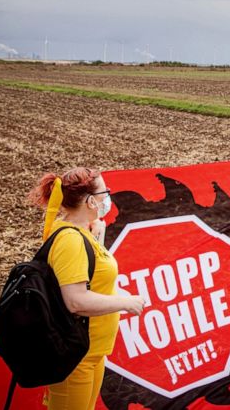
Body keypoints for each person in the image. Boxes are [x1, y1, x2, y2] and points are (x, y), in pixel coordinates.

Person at [28, 168, 146, 410]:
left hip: (92, 352)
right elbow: (76, 301)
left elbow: (91, 276)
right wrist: (125, 303)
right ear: (91, 201)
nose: (108, 197)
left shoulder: (84, 233)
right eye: (105, 192)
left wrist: (99, 237)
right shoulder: (70, 240)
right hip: (76, 358)